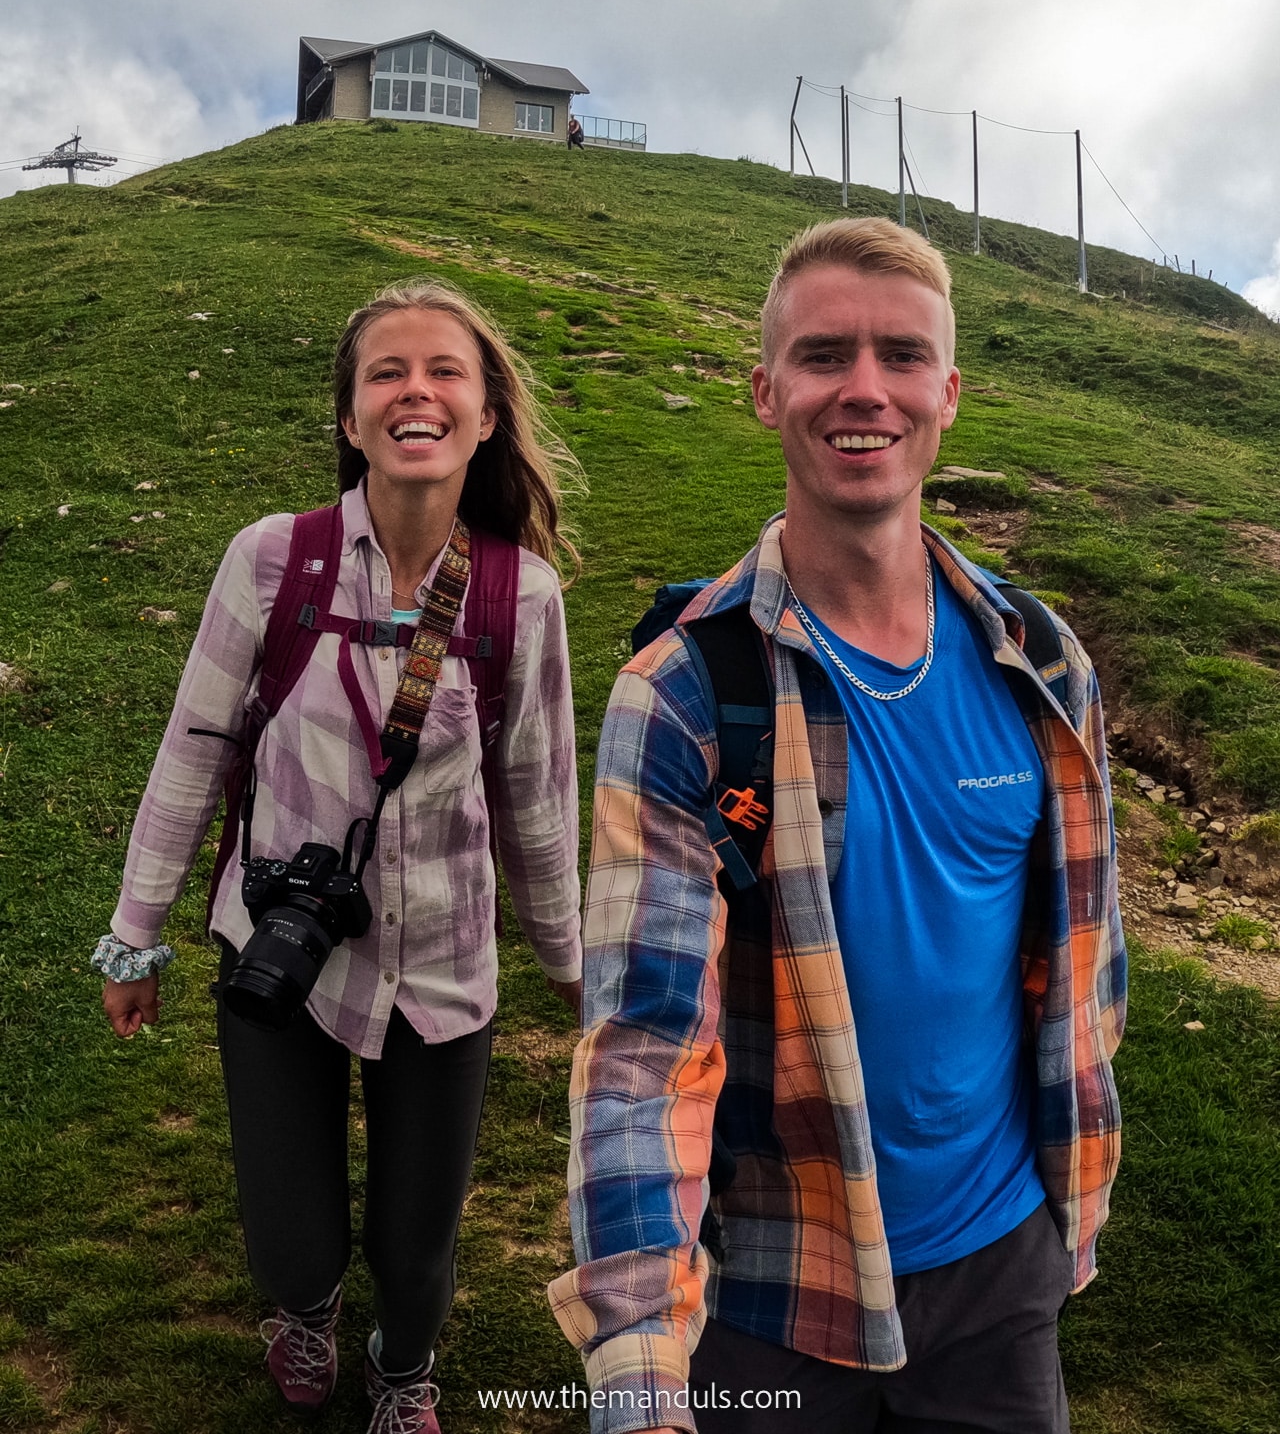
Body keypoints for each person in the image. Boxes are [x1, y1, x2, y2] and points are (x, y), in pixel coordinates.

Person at [549, 219, 1125, 1434]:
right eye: (822, 356)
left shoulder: (1039, 662)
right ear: (766, 392)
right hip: (776, 1293)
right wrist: (642, 1368)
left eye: (900, 356)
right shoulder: (685, 691)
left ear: (947, 394)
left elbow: (1082, 958)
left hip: (999, 1268)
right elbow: (643, 1055)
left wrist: (1074, 1187)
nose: (863, 389)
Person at [95, 278, 583, 1434]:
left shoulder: (524, 597)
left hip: (448, 964)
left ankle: (401, 1367)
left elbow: (537, 799)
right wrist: (136, 934)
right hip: (278, 949)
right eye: (385, 374)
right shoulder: (275, 562)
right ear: (351, 417)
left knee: (419, 1242)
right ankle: (302, 1311)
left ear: (485, 414)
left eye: (444, 372)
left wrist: (574, 965)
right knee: (289, 1224)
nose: (415, 391)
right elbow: (195, 749)